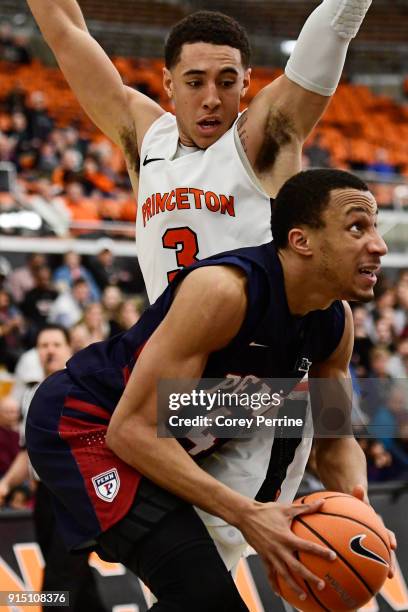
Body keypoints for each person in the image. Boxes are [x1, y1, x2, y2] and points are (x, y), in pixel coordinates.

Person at [27, 0, 375, 569]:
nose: (211, 97)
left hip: (258, 384)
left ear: (248, 83)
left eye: (227, 81)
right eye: (194, 81)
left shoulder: (262, 137)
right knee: (175, 571)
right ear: (167, 83)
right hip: (179, 383)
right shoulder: (143, 135)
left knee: (216, 566)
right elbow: (66, 33)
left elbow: (329, 35)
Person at [26, 170, 396, 610]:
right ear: (302, 241)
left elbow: (336, 441)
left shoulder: (335, 322)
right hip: (85, 426)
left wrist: (361, 513)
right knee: (203, 596)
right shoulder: (225, 291)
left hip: (169, 437)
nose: (379, 245)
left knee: (197, 594)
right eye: (358, 227)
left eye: (374, 227)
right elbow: (129, 431)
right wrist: (247, 514)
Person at [0, 324, 107, 612]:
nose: (49, 350)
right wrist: (7, 484)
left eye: (56, 344)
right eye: (43, 345)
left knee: (59, 582)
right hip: (45, 498)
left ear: (69, 348)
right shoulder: (31, 394)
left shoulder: (83, 388)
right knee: (75, 580)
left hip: (76, 495)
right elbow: (27, 453)